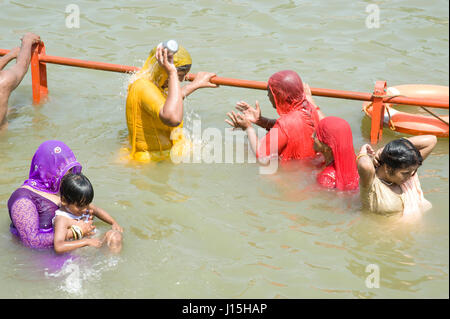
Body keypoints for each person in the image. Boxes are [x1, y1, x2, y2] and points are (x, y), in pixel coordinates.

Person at [125, 43, 217, 162]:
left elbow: (168, 102)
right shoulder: (143, 87)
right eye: (180, 76)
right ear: (163, 70)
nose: (181, 80)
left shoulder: (151, 84)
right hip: (151, 162)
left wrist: (195, 85)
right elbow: (173, 118)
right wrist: (172, 73)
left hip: (162, 156)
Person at [8, 140, 101, 249]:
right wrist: (77, 231)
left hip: (76, 242)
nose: (70, 175)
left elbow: (86, 206)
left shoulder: (59, 186)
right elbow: (31, 241)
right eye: (64, 170)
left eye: (70, 169)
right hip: (47, 258)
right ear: (48, 169)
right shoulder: (23, 200)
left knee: (113, 237)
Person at [225, 70, 325, 163]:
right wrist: (261, 121)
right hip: (311, 165)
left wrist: (248, 128)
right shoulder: (310, 109)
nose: (268, 96)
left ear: (279, 95)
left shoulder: (285, 123)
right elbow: (291, 130)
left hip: (290, 175)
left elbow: (261, 155)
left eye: (269, 91)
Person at [357, 135, 437, 217]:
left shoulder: (408, 168)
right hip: (383, 229)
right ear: (388, 168)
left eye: (413, 172)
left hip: (413, 229)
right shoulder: (371, 184)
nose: (410, 177)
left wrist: (385, 149)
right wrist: (362, 152)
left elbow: (431, 140)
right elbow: (365, 165)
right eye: (405, 173)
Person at [53, 173, 123, 254]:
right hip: (79, 251)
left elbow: (97, 210)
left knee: (115, 236)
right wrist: (86, 242)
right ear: (64, 201)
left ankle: (113, 262)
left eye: (87, 204)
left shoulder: (83, 206)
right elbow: (58, 246)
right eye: (80, 206)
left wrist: (113, 222)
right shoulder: (62, 219)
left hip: (94, 242)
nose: (86, 209)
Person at [0, 32, 41, 130]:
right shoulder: (3, 82)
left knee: (13, 109)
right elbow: (22, 65)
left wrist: (9, 56)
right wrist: (27, 41)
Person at [313, 116, 359, 191]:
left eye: (316, 135)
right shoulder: (357, 162)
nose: (312, 136)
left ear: (327, 147)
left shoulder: (326, 178)